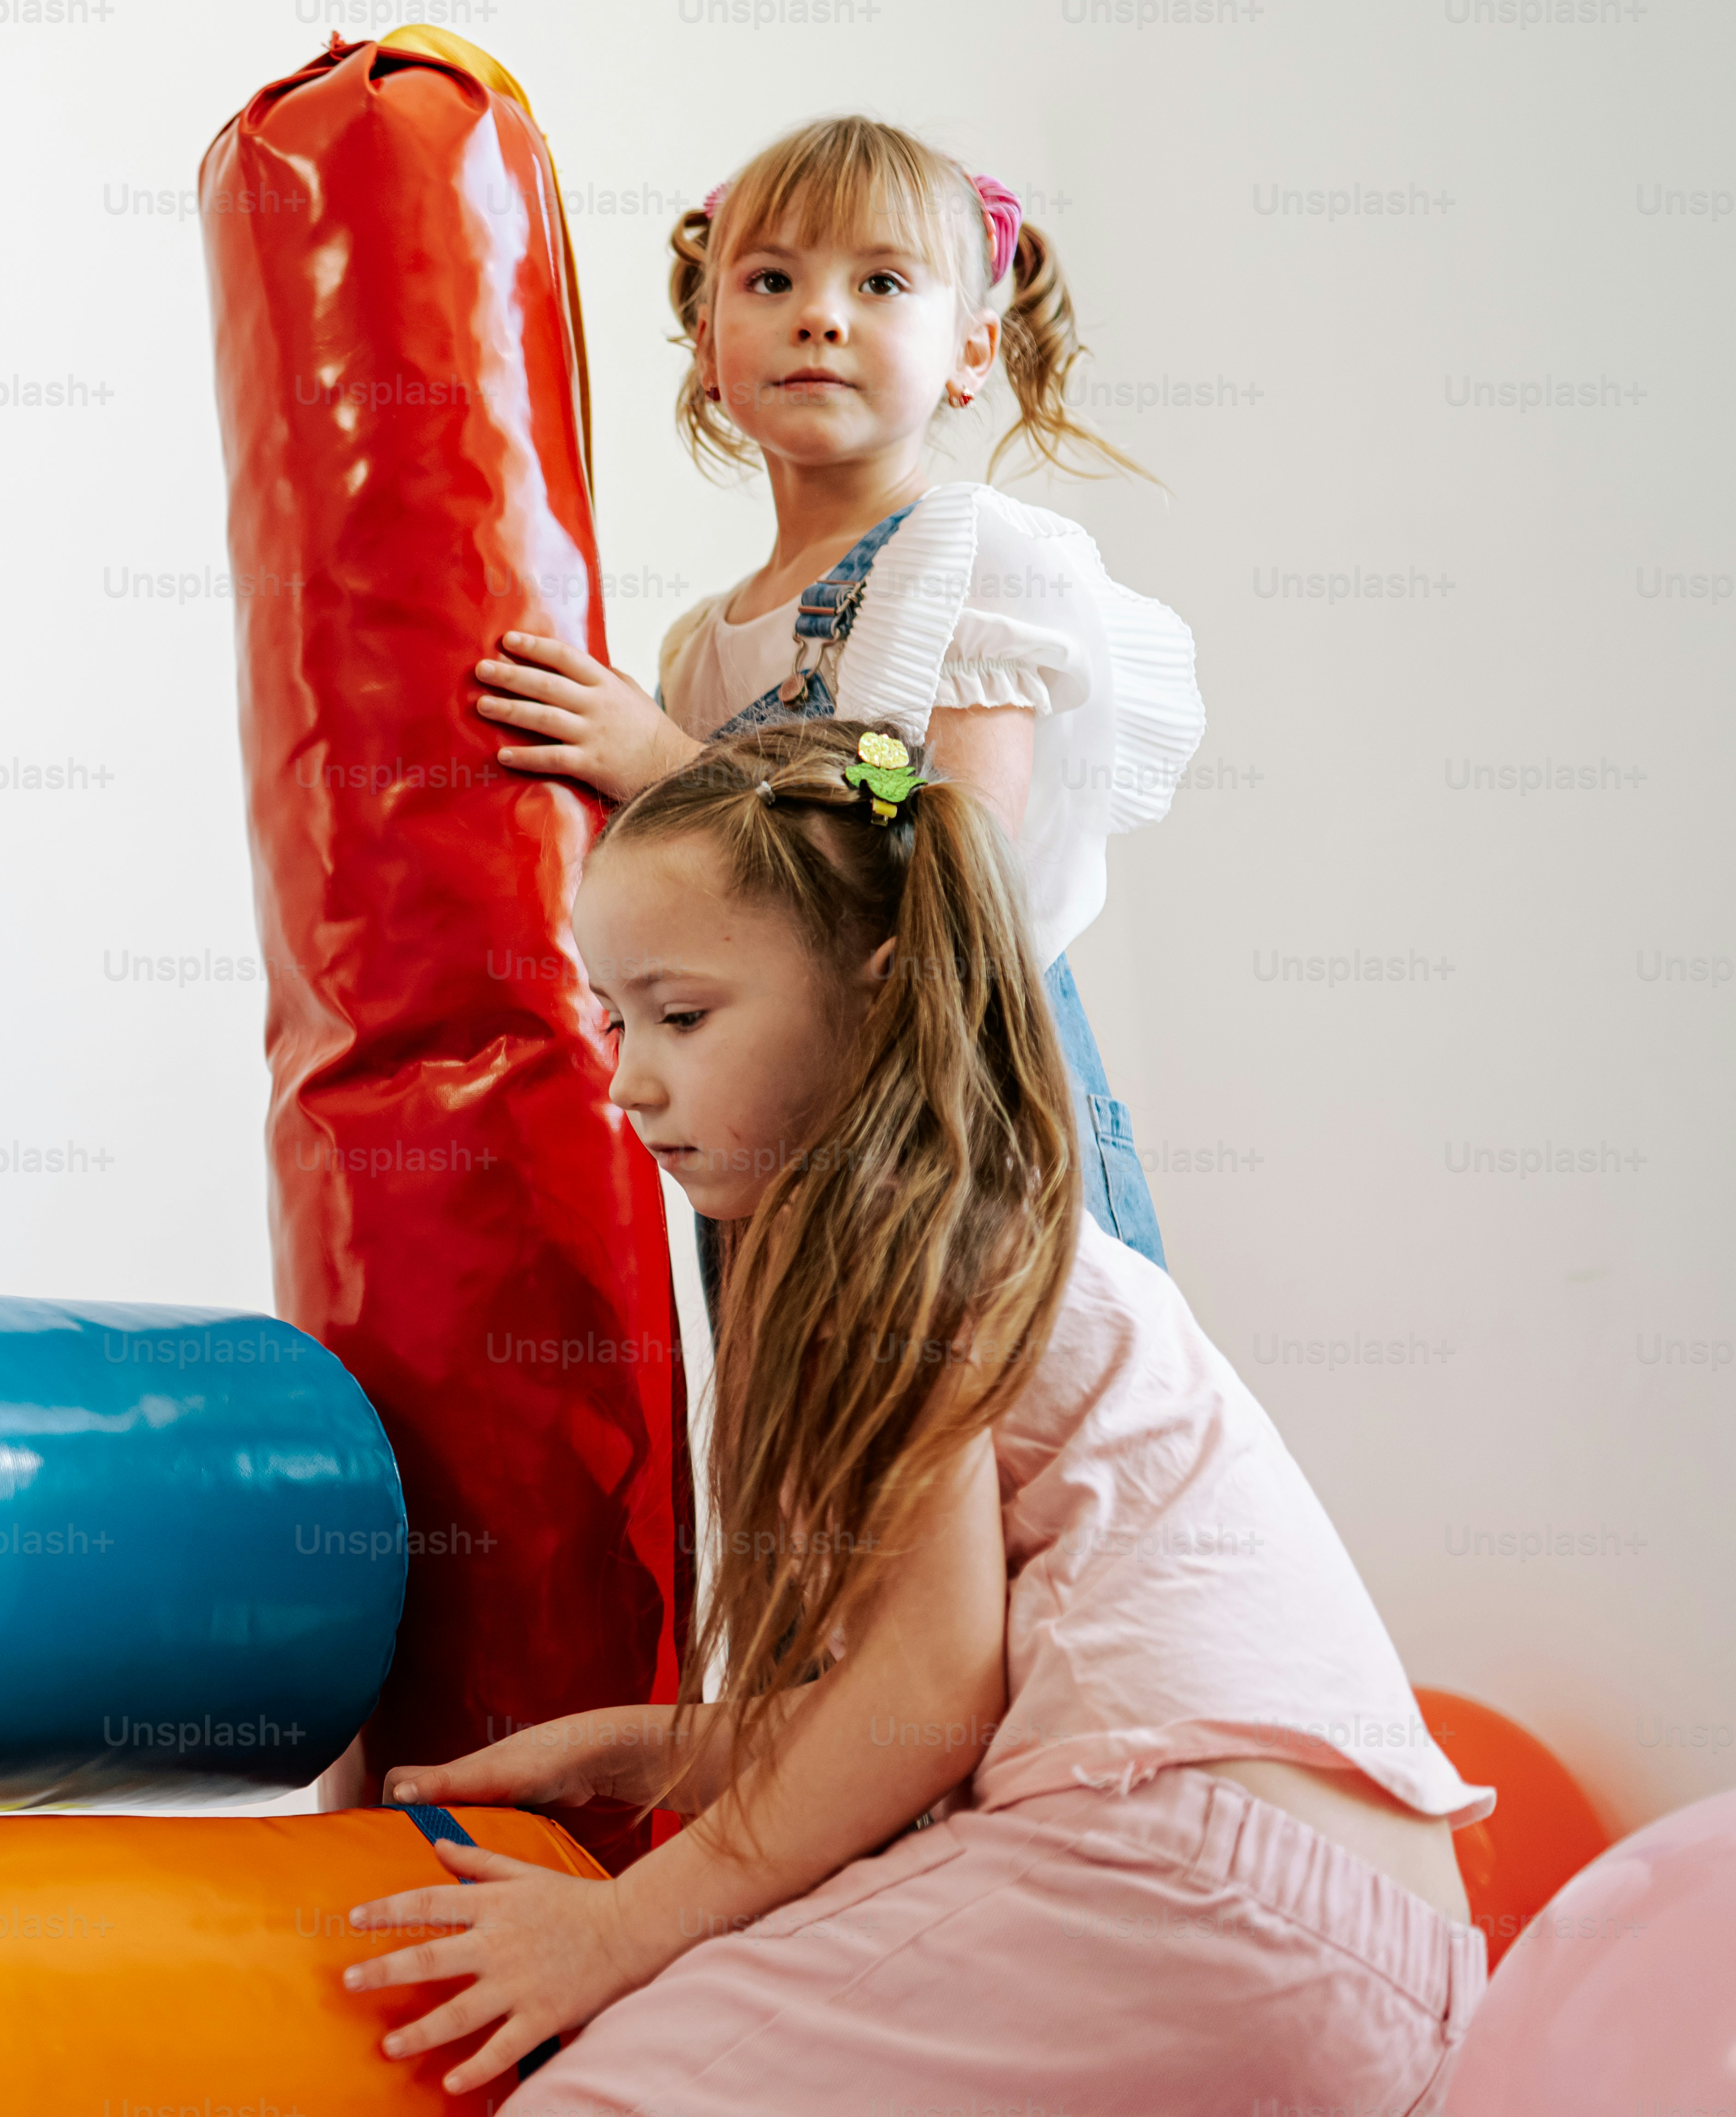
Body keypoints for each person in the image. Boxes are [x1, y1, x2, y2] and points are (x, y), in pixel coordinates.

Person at [340, 718, 1486, 2110]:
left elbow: (932, 1696)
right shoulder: (1017, 1234)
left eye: (683, 1016)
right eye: (611, 1019)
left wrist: (621, 1931)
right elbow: (940, 1693)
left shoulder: (881, 1243)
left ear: (879, 1002)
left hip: (1176, 1879)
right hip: (1392, 1953)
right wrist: (644, 1746)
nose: (630, 1077)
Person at [469, 116, 1202, 1269]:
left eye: (881, 282)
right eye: (773, 279)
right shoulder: (703, 647)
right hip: (776, 1147)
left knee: (998, 1444)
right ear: (710, 345)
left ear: (971, 353)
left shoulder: (976, 561)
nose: (822, 314)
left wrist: (661, 766)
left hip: (958, 1140)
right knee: (809, 1448)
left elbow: (958, 877)